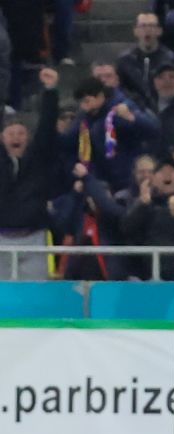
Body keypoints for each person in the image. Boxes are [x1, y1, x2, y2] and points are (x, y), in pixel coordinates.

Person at [0, 67, 59, 280]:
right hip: (1, 241)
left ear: (28, 138)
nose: (16, 137)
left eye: (21, 133)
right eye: (11, 133)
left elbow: (47, 127)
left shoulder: (38, 160)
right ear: (2, 138)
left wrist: (51, 90)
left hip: (33, 238)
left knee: (35, 298)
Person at [117, 12, 174, 112]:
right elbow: (120, 89)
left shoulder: (169, 59)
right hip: (134, 110)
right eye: (143, 26)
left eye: (151, 25)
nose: (147, 29)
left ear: (159, 31)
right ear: (135, 31)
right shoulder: (125, 60)